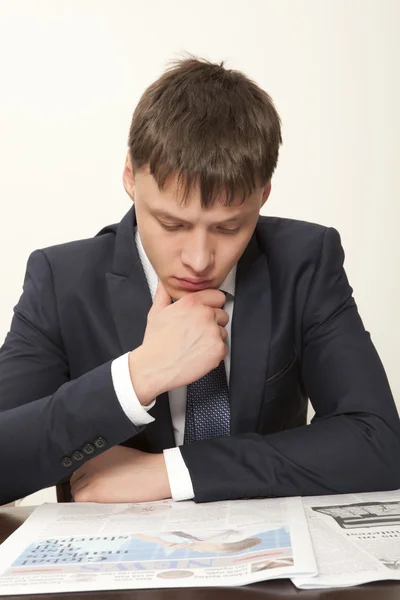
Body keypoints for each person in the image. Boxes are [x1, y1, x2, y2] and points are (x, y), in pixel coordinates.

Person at [0, 55, 399, 507]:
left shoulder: (304, 262)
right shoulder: (62, 282)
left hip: (268, 566)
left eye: (229, 228)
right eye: (171, 224)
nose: (198, 260)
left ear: (263, 194)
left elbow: (379, 442)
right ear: (131, 177)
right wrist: (137, 377)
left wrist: (174, 472)